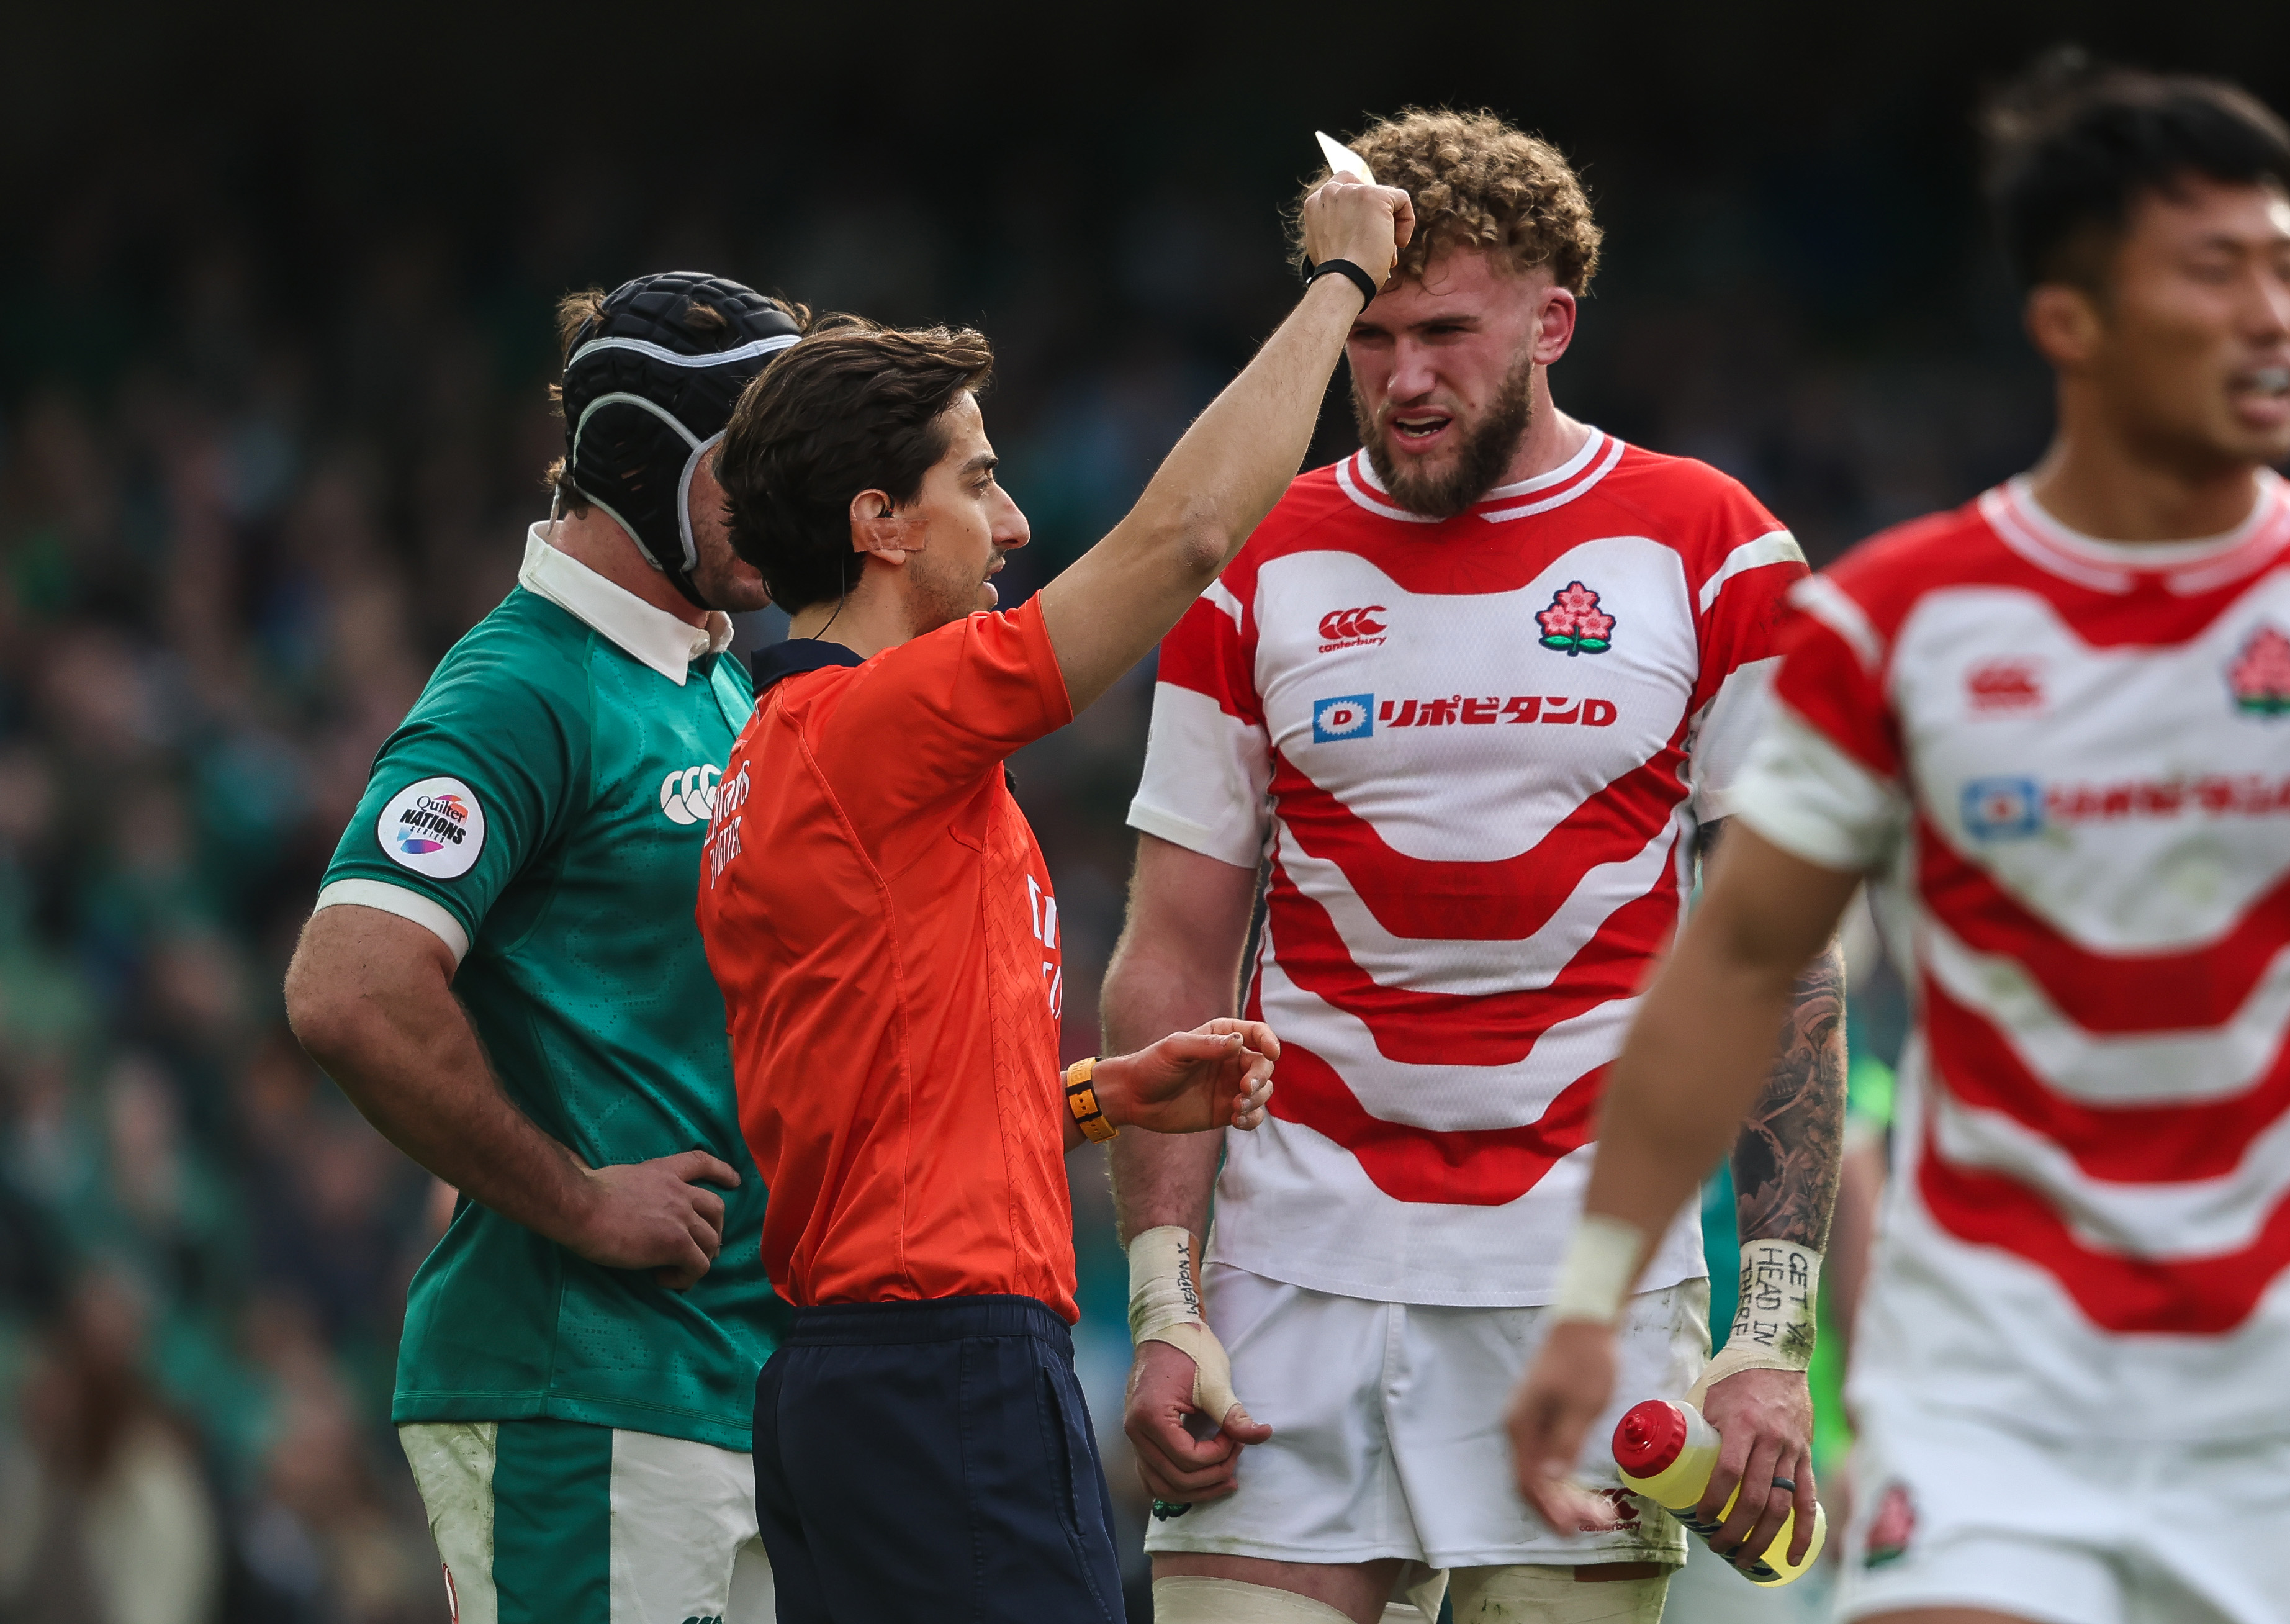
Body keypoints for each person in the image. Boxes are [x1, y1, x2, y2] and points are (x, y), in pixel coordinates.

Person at [1506, 53, 2290, 1624]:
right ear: (2072, 323)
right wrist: (1596, 1301)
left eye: (2284, 266)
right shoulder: (1897, 621)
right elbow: (1738, 969)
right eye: (2217, 272)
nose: (2271, 312)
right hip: (1992, 1375)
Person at [1102, 108, 1847, 1624]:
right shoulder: (1252, 560)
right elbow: (1171, 956)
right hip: (1293, 1278)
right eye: (1371, 339)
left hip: (1589, 1291)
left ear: (1553, 319)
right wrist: (1163, 1303)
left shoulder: (1717, 550)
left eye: (1446, 331)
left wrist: (1772, 1334)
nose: (1406, 379)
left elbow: (1776, 959)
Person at [691, 176, 1411, 1624]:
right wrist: (1341, 284)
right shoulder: (883, 726)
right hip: (947, 1369)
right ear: (880, 523)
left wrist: (1100, 1098)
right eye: (978, 482)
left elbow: (879, 1091)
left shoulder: (782, 758)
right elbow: (1188, 538)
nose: (1014, 524)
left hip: (851, 1379)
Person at [284, 272, 803, 1623]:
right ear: (645, 459)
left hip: (719, 1390)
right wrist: (582, 1200)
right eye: (762, 464)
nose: (800, 502)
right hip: (583, 1396)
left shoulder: (712, 675)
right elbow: (347, 989)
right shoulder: (523, 688)